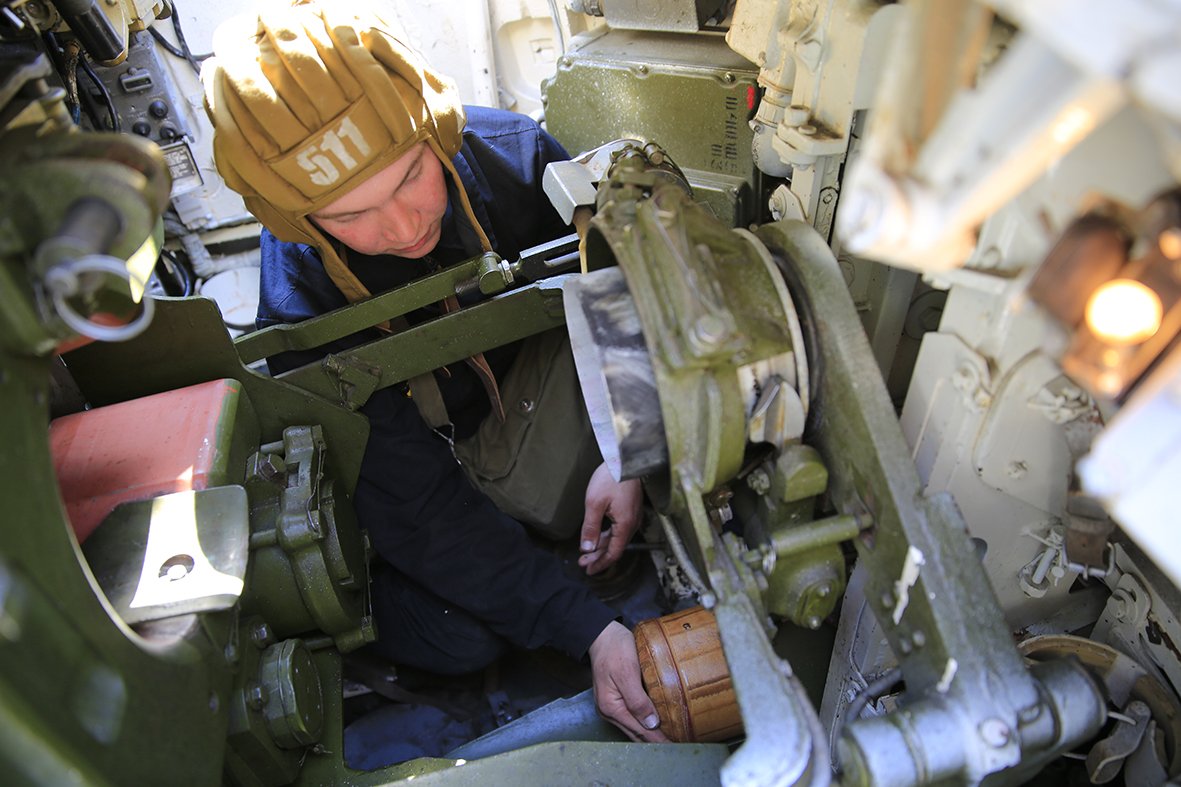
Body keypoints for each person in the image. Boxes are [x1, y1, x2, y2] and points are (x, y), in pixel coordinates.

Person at [201, 0, 666, 743]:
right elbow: (414, 507)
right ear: (300, 221)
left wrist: (630, 451)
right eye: (349, 216)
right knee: (460, 639)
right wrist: (587, 627)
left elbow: (614, 302)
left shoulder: (514, 158)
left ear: (434, 129)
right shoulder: (298, 305)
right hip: (419, 476)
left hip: (526, 412)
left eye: (410, 175)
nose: (401, 225)